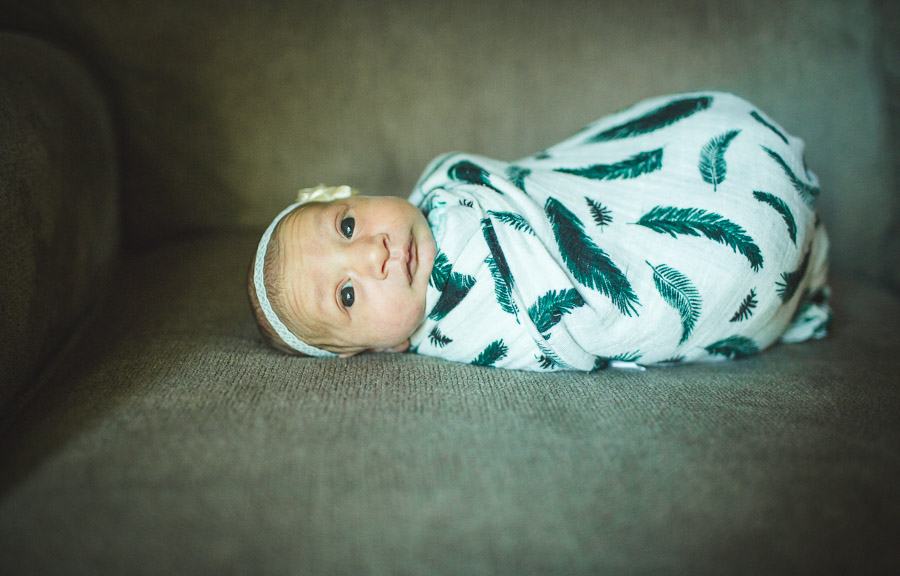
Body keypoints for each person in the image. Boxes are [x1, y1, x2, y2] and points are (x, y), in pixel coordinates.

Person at [248, 91, 832, 371]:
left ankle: (746, 176)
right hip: (678, 267)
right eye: (347, 295)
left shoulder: (444, 185)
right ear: (382, 347)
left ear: (355, 197)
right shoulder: (460, 331)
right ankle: (769, 248)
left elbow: (546, 183)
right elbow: (564, 325)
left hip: (604, 198)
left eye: (347, 226)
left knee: (706, 154)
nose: (371, 254)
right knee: (730, 259)